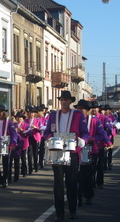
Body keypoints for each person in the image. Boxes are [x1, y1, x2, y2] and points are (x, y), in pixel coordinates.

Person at [44, 91, 89, 222]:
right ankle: (59, 213)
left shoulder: (77, 114)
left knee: (71, 182)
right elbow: (47, 131)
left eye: (66, 99)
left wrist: (83, 140)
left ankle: (72, 209)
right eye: (62, 99)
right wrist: (48, 138)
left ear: (70, 101)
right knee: (57, 184)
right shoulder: (53, 115)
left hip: (72, 152)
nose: (63, 101)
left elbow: (85, 132)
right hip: (56, 152)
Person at [0, 105, 17, 188]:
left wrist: (13, 143)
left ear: (4, 113)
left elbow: (13, 133)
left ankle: (5, 179)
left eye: (0, 112)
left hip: (6, 142)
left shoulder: (9, 122)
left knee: (6, 162)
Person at [25, 106, 41, 173]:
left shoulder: (37, 120)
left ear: (35, 114)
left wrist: (36, 127)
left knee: (35, 153)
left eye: (33, 113)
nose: (31, 114)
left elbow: (40, 129)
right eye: (31, 113)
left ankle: (36, 167)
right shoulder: (26, 121)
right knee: (29, 153)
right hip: (28, 137)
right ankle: (30, 168)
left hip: (35, 137)